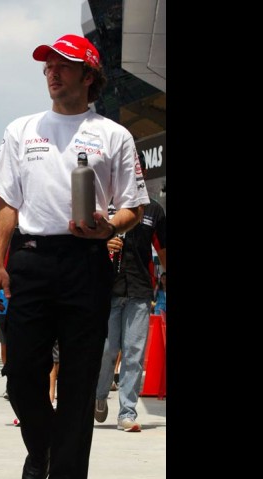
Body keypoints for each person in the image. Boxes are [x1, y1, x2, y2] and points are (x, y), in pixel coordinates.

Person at [0, 34, 149, 479]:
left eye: (64, 65)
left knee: (79, 379)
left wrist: (108, 226)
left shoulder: (113, 135)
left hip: (86, 261)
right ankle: (41, 446)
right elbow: (6, 204)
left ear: (88, 75)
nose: (52, 73)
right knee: (21, 376)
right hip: (31, 260)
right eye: (48, 66)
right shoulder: (21, 130)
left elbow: (134, 208)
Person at [93, 154, 165, 432]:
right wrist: (103, 242)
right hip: (105, 289)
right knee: (105, 352)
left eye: (139, 172)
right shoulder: (101, 206)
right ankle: (99, 396)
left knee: (134, 354)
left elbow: (163, 249)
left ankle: (127, 413)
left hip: (139, 290)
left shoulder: (154, 211)